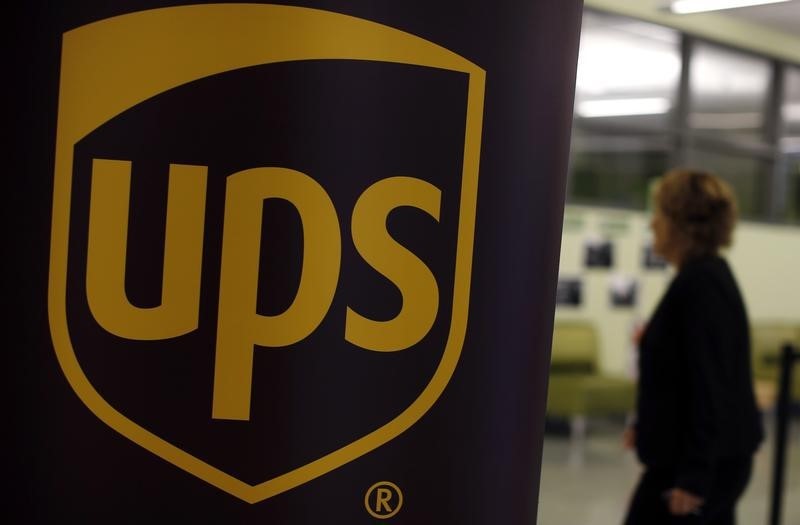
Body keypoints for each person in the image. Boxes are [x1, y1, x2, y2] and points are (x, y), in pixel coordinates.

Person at [623, 169, 763, 525]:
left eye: (659, 213)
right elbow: (684, 370)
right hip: (704, 457)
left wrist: (695, 476)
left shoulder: (700, 285)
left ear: (680, 224)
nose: (653, 224)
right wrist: (648, 425)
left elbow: (710, 384)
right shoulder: (705, 276)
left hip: (694, 467)